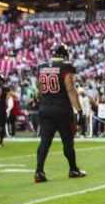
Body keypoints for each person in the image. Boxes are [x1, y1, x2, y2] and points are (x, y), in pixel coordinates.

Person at [33, 44, 86, 183]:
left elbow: (39, 89)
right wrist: (79, 110)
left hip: (45, 109)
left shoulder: (42, 67)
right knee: (68, 142)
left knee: (44, 142)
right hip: (62, 110)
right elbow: (70, 90)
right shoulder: (66, 68)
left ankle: (39, 172)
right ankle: (73, 169)